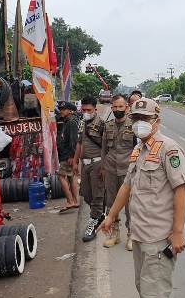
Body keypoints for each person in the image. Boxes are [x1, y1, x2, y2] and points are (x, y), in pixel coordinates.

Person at [98, 98, 185, 298]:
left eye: (144, 118)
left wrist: (178, 232)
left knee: (154, 295)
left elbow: (181, 190)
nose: (139, 122)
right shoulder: (139, 149)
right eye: (136, 118)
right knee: (142, 287)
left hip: (158, 237)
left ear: (156, 120)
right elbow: (127, 186)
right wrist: (111, 215)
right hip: (140, 234)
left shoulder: (169, 148)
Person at [101, 94, 136, 250]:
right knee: (111, 202)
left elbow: (139, 149)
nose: (117, 110)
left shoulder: (134, 126)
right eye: (114, 107)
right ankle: (114, 234)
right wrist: (103, 167)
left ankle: (131, 235)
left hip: (128, 171)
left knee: (129, 204)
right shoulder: (107, 126)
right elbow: (103, 150)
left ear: (126, 107)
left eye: (120, 107)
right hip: (110, 169)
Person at [74, 96, 106, 241]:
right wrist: (75, 162)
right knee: (86, 194)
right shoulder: (82, 123)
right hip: (84, 164)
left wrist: (104, 166)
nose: (86, 112)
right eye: (84, 109)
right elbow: (79, 143)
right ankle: (100, 214)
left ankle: (93, 223)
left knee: (97, 195)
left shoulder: (101, 124)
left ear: (95, 109)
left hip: (97, 163)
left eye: (89, 110)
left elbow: (106, 147)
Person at [57, 101, 80, 213]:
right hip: (68, 154)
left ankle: (70, 201)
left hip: (68, 155)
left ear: (70, 111)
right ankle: (75, 201)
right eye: (60, 109)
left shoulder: (71, 122)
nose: (61, 111)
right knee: (72, 177)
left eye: (64, 109)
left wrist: (72, 156)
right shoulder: (69, 120)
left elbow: (74, 140)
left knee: (61, 176)